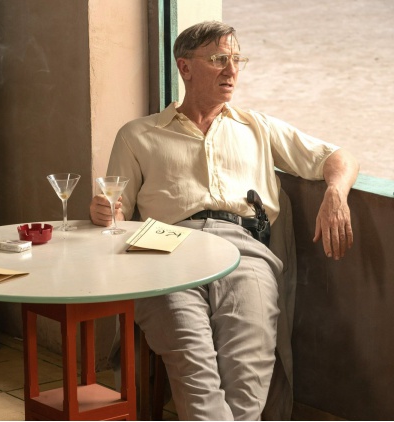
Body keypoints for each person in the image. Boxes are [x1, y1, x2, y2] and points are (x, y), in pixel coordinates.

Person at [90, 21, 359, 420]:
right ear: (184, 67)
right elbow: (115, 212)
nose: (232, 70)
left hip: (245, 254)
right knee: (194, 369)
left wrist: (335, 193)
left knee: (248, 373)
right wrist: (103, 212)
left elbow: (336, 157)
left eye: (236, 59)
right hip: (165, 253)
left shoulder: (257, 127)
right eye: (218, 59)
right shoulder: (137, 135)